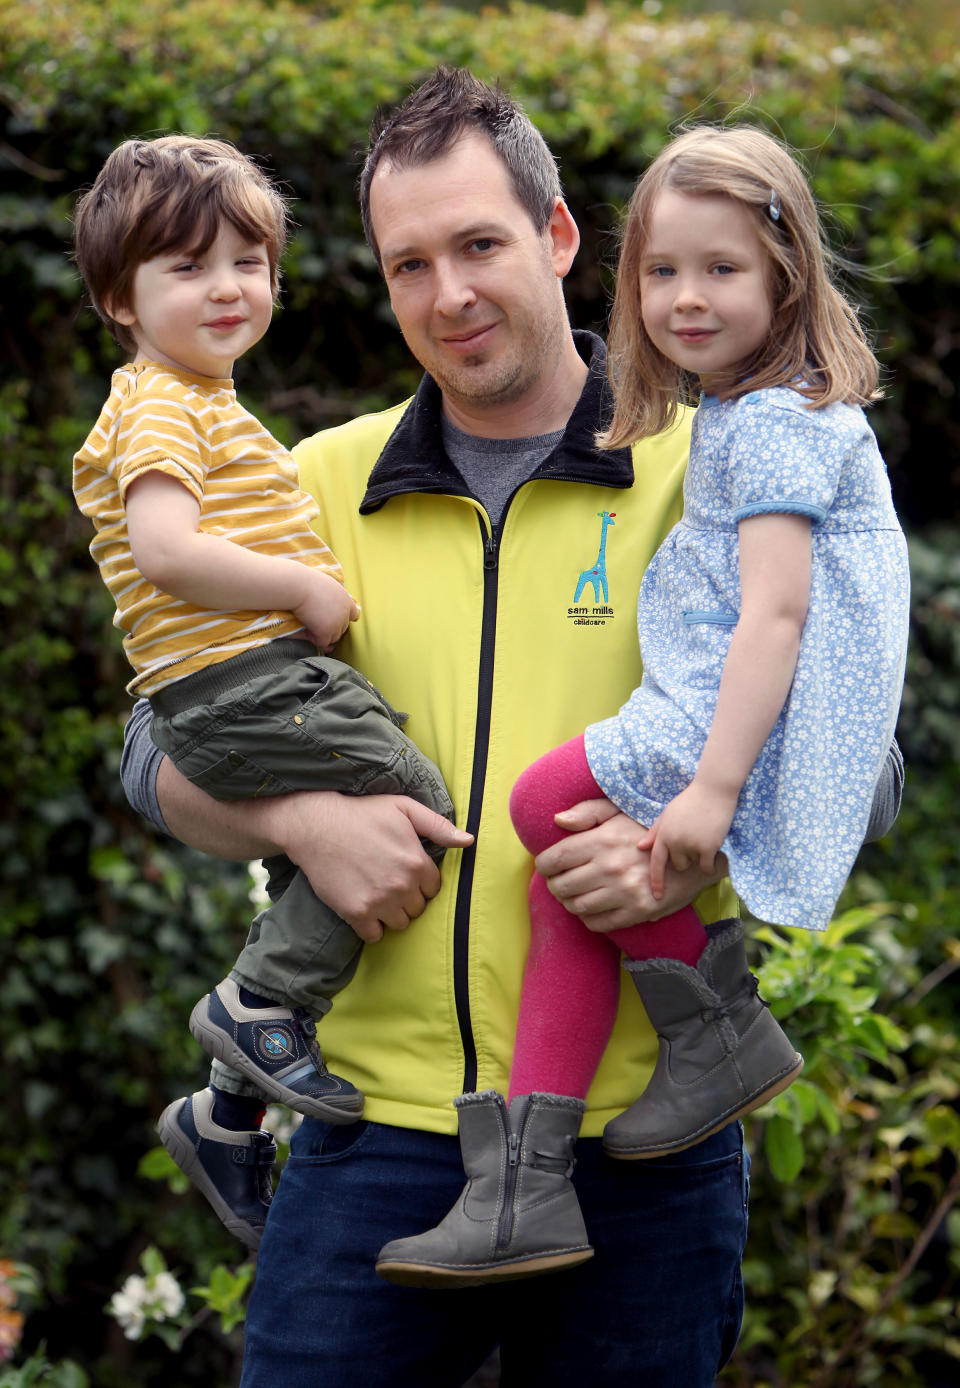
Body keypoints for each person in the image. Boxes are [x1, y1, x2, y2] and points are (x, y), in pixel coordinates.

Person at [119, 72, 903, 1386]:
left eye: (479, 245)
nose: (448, 295)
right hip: (373, 1141)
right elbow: (156, 752)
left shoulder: (716, 466)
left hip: (640, 1147)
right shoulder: (307, 484)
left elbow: (856, 758)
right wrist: (300, 823)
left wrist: (688, 841)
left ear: (556, 238)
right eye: (407, 263)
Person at [373, 124, 909, 1288]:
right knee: (571, 852)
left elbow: (783, 626)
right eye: (664, 272)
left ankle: (711, 1030)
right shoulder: (333, 474)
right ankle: (534, 1168)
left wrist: (712, 795)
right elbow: (168, 727)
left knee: (537, 799)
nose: (687, 298)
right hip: (379, 1115)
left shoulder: (753, 424)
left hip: (715, 724)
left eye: (721, 270)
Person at [71, 134, 466, 1251]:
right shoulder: (161, 404)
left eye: (248, 261)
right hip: (238, 681)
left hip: (242, 678)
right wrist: (302, 583)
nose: (227, 287)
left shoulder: (205, 404)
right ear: (118, 297)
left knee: (317, 870)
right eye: (186, 267)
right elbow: (162, 548)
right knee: (412, 797)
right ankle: (256, 1007)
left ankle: (227, 1109)